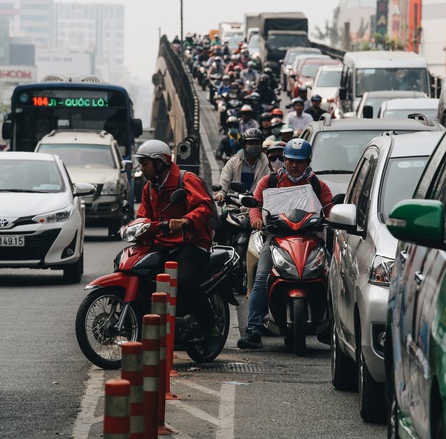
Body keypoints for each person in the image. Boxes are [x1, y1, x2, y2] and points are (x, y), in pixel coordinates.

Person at [237, 138, 334, 349]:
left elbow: (329, 208)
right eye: (290, 160)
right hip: (276, 239)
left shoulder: (317, 184)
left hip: (311, 240)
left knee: (333, 276)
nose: (294, 165)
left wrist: (334, 218)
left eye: (299, 161)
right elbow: (256, 203)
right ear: (284, 160)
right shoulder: (270, 181)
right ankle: (253, 330)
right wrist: (255, 218)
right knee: (262, 277)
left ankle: (331, 327)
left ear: (308, 161)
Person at [135, 140, 215, 339]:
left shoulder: (185, 179)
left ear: (159, 163)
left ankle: (208, 326)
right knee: (134, 268)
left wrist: (186, 220)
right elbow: (143, 216)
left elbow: (204, 207)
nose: (141, 168)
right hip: (163, 244)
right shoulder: (149, 188)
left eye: (145, 164)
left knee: (185, 281)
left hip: (193, 243)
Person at [215, 128, 270, 201]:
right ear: (244, 145)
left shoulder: (267, 163)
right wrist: (221, 193)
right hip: (235, 202)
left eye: (257, 143)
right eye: (250, 143)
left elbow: (269, 183)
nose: (254, 146)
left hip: (257, 203)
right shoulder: (233, 161)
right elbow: (225, 180)